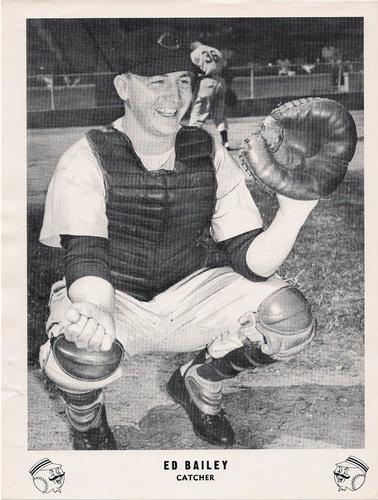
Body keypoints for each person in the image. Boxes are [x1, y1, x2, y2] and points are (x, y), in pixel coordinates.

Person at [38, 30, 318, 450]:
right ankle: (87, 420)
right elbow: (86, 257)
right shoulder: (87, 155)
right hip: (115, 296)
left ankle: (201, 383)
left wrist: (293, 215)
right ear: (123, 88)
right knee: (82, 352)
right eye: (157, 82)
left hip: (189, 294)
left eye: (183, 81)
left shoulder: (205, 147)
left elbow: (249, 259)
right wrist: (95, 311)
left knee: (287, 317)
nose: (174, 95)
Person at [188, 40, 231, 149]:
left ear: (193, 45)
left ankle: (193, 143)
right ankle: (226, 143)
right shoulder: (215, 50)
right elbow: (226, 68)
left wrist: (192, 87)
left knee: (197, 115)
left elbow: (193, 70)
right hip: (220, 82)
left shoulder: (195, 52)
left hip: (206, 82)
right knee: (219, 116)